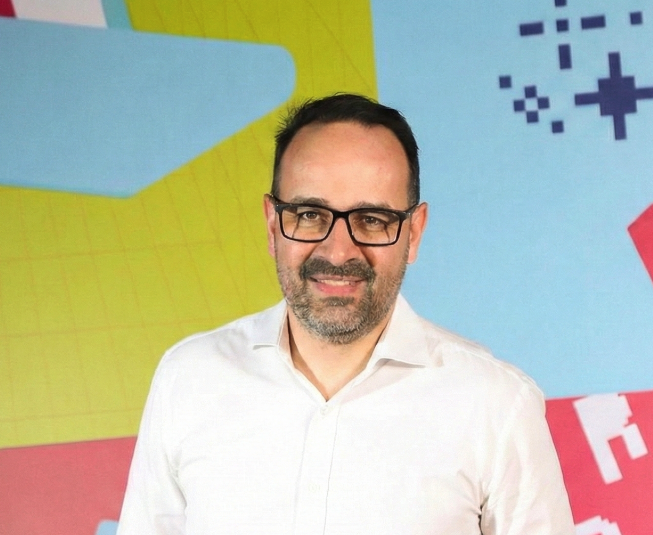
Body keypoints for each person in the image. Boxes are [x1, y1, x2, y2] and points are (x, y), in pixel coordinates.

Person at [116, 93, 575, 535]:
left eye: (372, 220)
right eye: (309, 215)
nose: (338, 252)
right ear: (273, 225)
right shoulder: (189, 380)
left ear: (414, 233)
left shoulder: (496, 405)